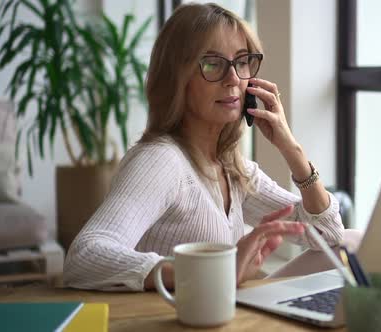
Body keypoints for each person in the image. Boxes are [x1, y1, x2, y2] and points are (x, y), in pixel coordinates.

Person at [63, 3, 359, 292]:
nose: (233, 79)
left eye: (242, 61)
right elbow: (85, 256)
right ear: (177, 79)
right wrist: (212, 271)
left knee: (352, 243)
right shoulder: (161, 160)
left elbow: (328, 234)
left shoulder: (232, 167)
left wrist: (291, 149)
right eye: (212, 64)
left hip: (220, 310)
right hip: (172, 318)